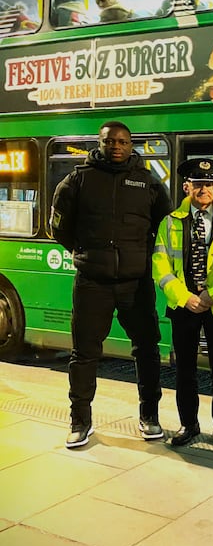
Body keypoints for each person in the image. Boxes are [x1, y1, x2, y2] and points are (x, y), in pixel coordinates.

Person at [50, 121, 172, 449]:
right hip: (92, 283)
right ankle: (80, 421)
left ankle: (149, 416)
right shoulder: (77, 180)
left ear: (131, 145)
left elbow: (166, 227)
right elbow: (59, 227)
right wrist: (84, 252)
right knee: (84, 354)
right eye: (110, 141)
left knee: (146, 350)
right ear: (100, 144)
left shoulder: (148, 183)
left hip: (136, 284)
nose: (116, 146)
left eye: (123, 141)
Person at [152, 158, 213, 447]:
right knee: (185, 370)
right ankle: (188, 424)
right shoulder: (169, 222)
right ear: (186, 186)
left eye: (210, 183)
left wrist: (211, 295)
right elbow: (160, 265)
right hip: (185, 307)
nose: (205, 189)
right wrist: (185, 297)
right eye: (199, 183)